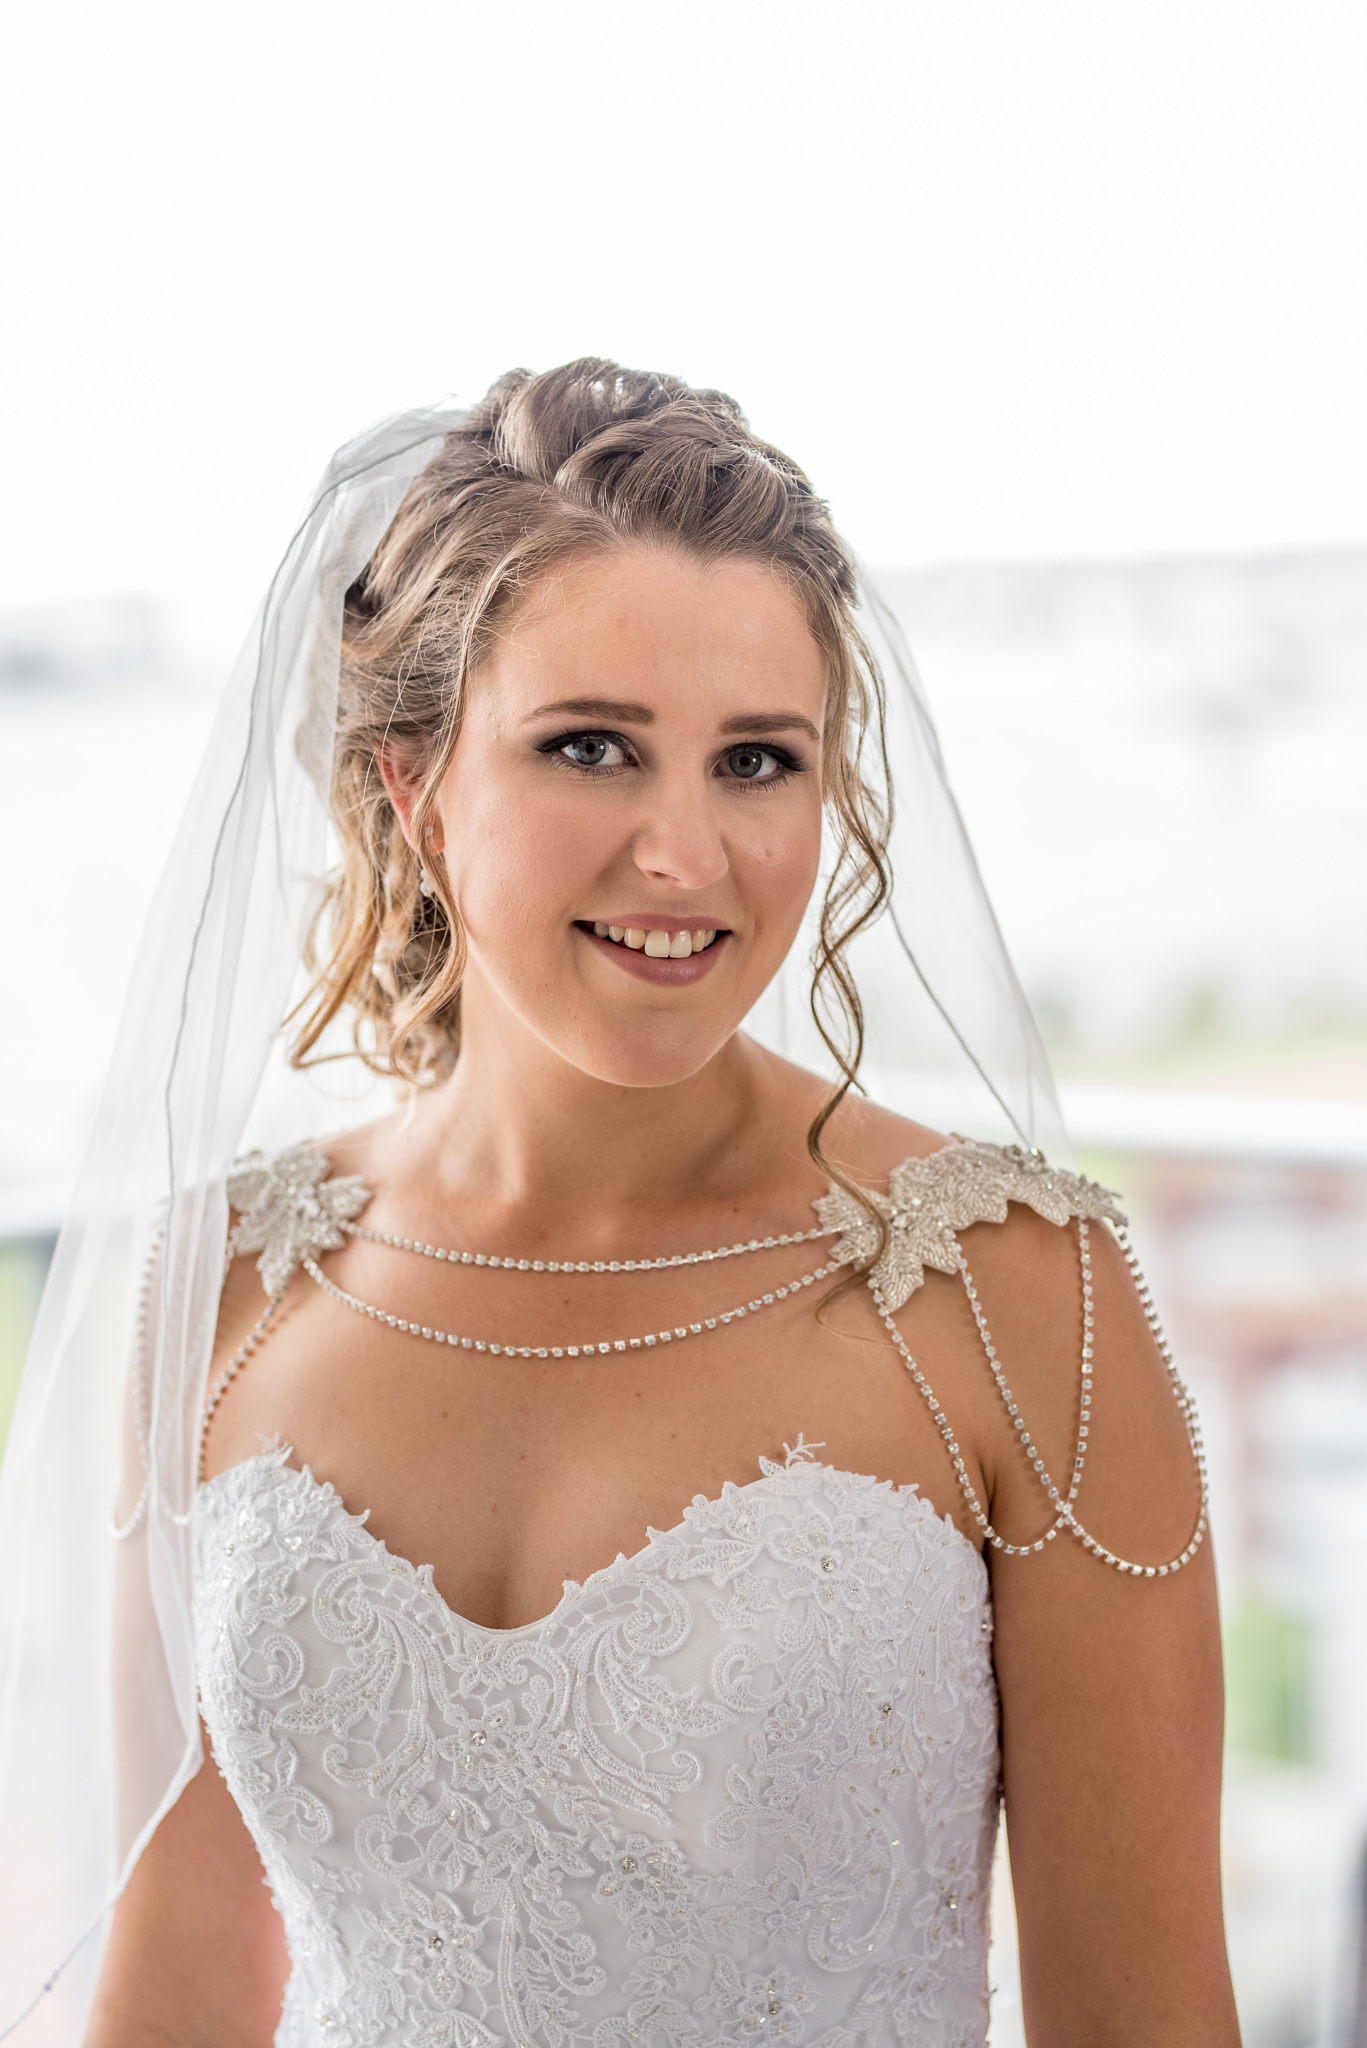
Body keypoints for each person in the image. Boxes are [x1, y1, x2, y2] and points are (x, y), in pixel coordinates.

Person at [1, 362, 1236, 2045]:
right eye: (592, 748)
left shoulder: (1020, 1295)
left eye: (757, 762)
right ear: (411, 790)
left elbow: (1150, 2023)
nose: (684, 855)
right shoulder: (223, 1287)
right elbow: (179, 1993)